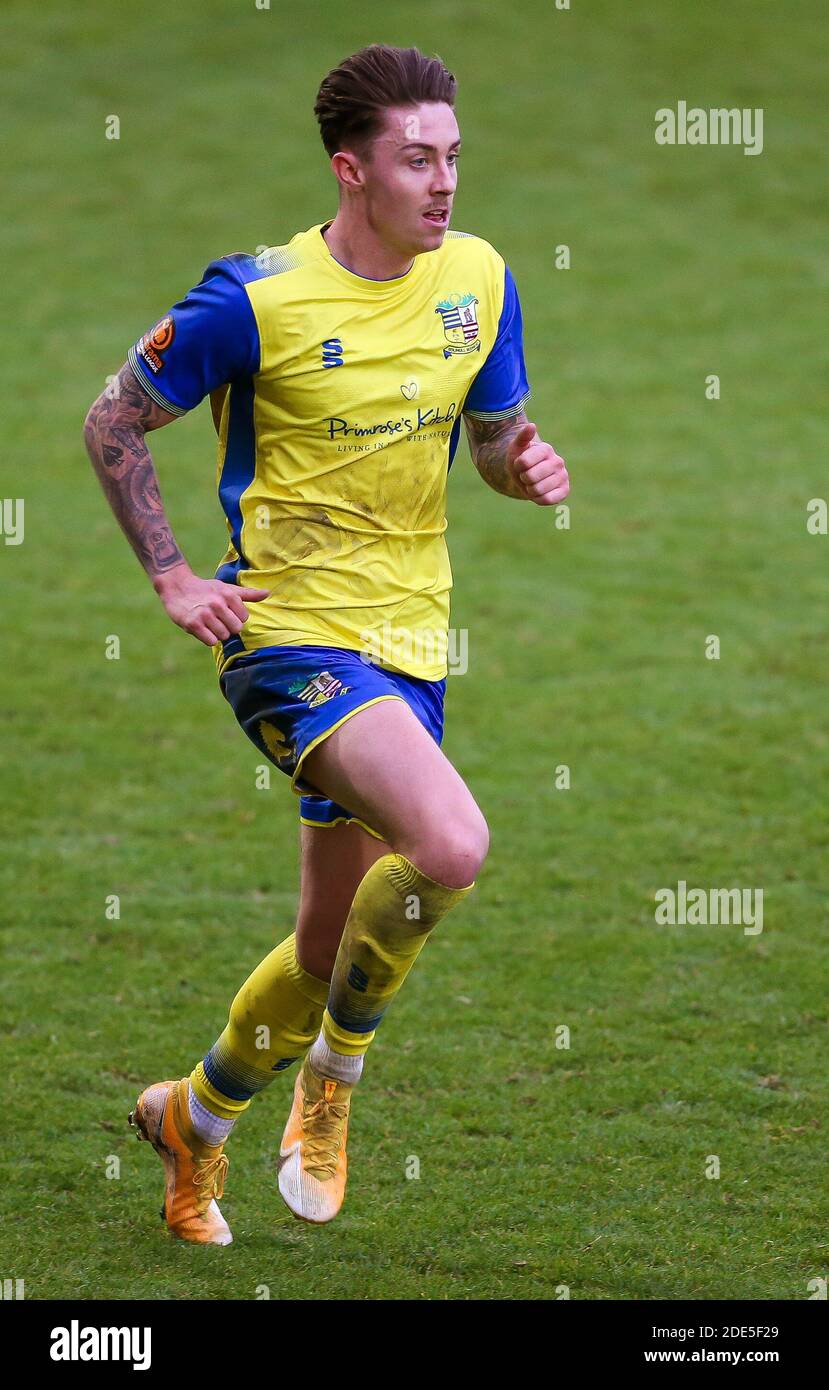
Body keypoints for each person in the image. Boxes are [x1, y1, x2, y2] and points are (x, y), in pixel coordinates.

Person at [83, 43, 569, 1243]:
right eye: (417, 160)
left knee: (319, 949)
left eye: (453, 156)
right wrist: (171, 575)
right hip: (286, 639)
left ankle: (190, 1121)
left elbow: (496, 437)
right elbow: (113, 419)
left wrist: (525, 469)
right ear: (352, 170)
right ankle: (331, 1091)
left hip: (410, 637)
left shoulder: (482, 277)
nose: (445, 182)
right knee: (450, 844)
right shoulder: (252, 299)